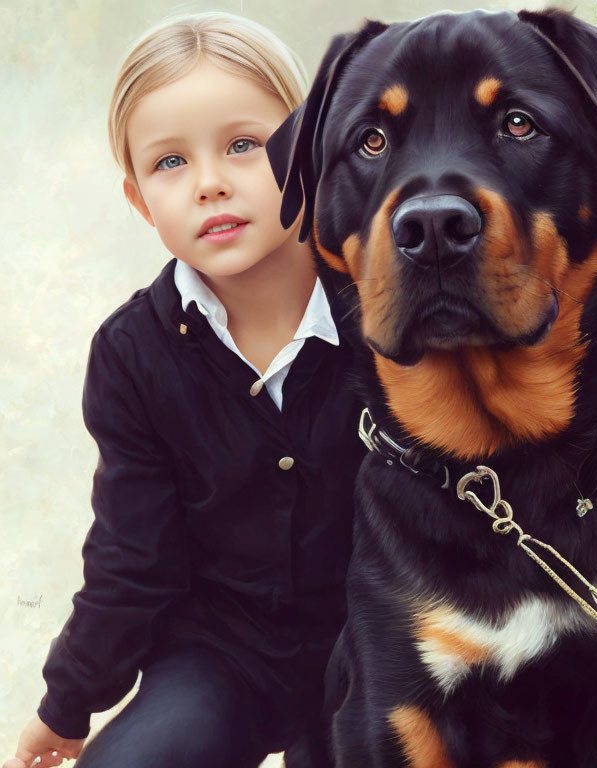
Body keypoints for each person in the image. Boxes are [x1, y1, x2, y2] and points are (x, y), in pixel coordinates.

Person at [4, 13, 363, 768]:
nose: (210, 183)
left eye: (243, 145)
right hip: (219, 654)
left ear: (309, 151)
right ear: (139, 201)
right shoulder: (131, 354)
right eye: (170, 163)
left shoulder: (386, 311)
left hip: (377, 645)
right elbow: (132, 557)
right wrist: (68, 704)